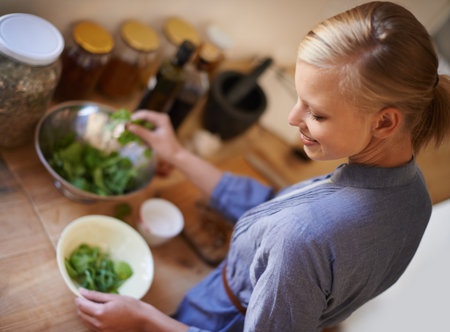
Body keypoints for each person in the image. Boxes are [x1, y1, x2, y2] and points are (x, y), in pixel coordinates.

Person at [74, 2, 450, 331]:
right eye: (299, 98)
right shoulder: (415, 195)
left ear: (385, 122)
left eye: (316, 113)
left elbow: (294, 231)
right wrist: (178, 154)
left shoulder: (301, 240)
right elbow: (276, 205)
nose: (291, 117)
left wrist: (143, 320)